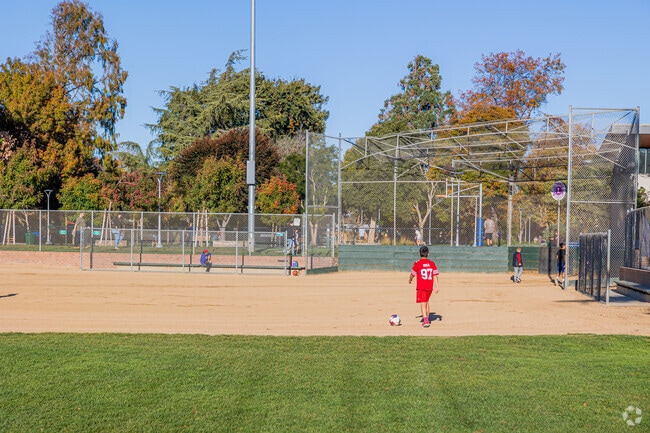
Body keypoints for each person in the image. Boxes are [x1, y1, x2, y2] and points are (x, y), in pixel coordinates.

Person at [408, 245, 439, 328]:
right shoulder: (432, 263)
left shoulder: (417, 263)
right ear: (428, 254)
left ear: (419, 253)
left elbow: (412, 274)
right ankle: (427, 317)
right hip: (429, 287)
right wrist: (437, 286)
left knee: (423, 303)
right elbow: (435, 275)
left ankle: (425, 320)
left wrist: (410, 279)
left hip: (421, 287)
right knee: (426, 302)